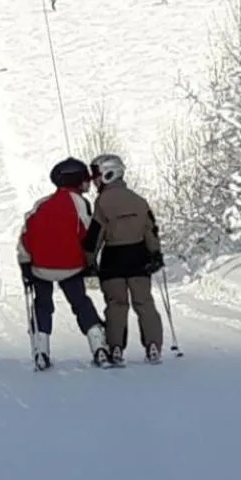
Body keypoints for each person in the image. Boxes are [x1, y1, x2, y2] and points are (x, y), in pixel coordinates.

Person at [17, 157, 104, 369]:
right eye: (85, 178)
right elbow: (88, 235)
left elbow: (25, 236)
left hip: (40, 268)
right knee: (80, 303)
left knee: (42, 305)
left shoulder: (40, 205)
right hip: (71, 267)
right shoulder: (80, 203)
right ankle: (99, 347)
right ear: (76, 181)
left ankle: (41, 351)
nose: (88, 182)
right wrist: (92, 265)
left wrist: (26, 265)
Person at [86, 153, 165, 365]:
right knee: (144, 302)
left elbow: (95, 236)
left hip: (113, 260)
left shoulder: (102, 202)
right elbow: (151, 230)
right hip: (139, 257)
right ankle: (153, 345)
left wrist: (89, 262)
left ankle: (116, 348)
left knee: (116, 305)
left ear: (108, 174)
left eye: (96, 176)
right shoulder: (139, 201)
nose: (94, 182)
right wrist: (155, 254)